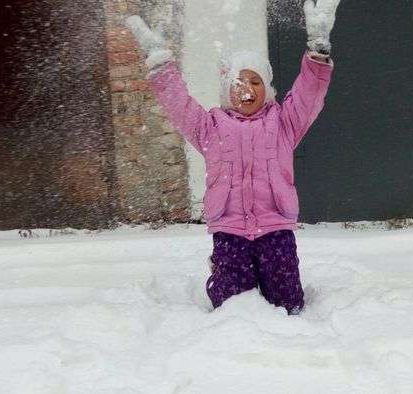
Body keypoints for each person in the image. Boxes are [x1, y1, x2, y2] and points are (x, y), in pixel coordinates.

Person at [125, 0, 340, 315]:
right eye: (239, 82)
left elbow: (309, 94)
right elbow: (180, 105)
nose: (248, 88)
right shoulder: (210, 126)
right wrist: (161, 66)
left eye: (256, 82)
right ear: (227, 89)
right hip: (229, 230)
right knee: (229, 305)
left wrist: (318, 52)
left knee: (289, 303)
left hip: (275, 227)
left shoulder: (284, 122)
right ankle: (222, 272)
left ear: (266, 90)